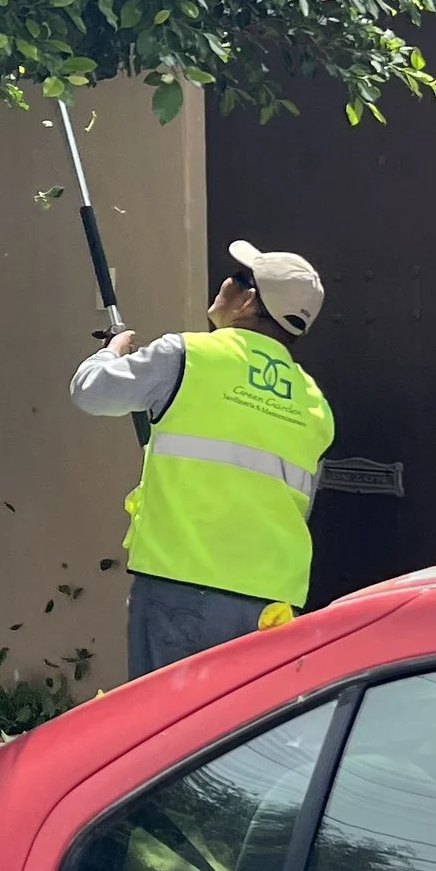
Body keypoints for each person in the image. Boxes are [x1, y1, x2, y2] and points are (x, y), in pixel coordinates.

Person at [72, 238, 334, 679]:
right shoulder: (315, 404)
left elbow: (91, 392)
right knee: (240, 737)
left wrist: (113, 350)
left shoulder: (188, 355)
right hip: (269, 607)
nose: (224, 283)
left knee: (171, 735)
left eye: (235, 277)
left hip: (181, 592)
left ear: (249, 299)